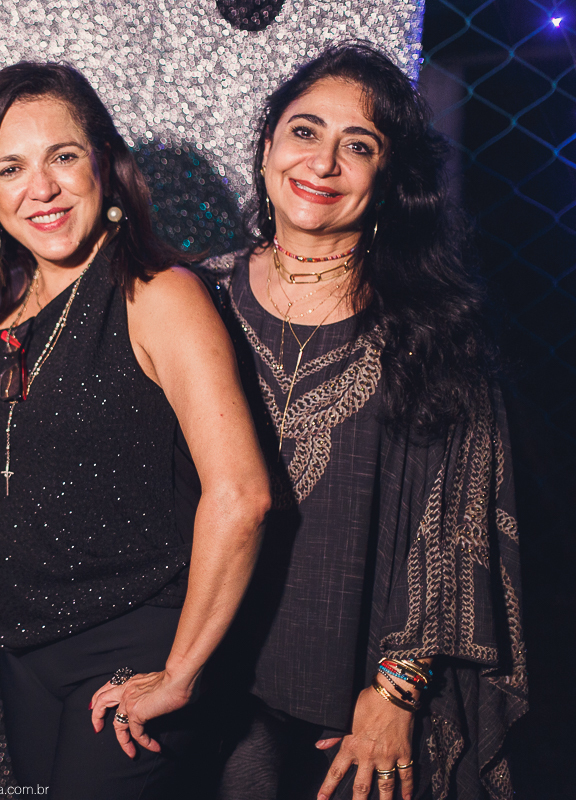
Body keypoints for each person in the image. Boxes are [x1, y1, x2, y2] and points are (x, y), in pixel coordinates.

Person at [196, 43, 527, 800]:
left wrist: (396, 693)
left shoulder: (433, 327)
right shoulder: (196, 298)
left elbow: (459, 525)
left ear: (390, 178)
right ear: (267, 146)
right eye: (305, 131)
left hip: (356, 704)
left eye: (359, 145)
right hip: (205, 674)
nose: (323, 163)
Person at [0, 62, 271, 797]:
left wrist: (180, 672)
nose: (41, 188)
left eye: (62, 156)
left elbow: (242, 495)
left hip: (133, 642)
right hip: (23, 654)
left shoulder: (158, 294)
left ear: (104, 162)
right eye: (10, 168)